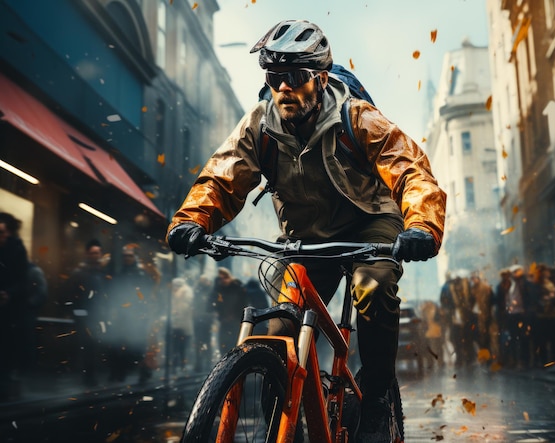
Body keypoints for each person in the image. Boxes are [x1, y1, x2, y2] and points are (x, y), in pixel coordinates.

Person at [166, 19, 446, 441]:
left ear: (319, 78)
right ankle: (285, 414)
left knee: (373, 286)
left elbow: (409, 168)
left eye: (294, 78)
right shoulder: (259, 126)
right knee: (276, 332)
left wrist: (422, 225)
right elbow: (221, 177)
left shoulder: (357, 117)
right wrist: (191, 219)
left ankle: (376, 398)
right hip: (307, 236)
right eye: (274, 78)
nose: (283, 88)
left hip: (369, 221)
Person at [63, 239, 110, 387]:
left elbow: (106, 294)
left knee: (94, 347)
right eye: (92, 253)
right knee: (85, 346)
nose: (95, 256)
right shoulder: (80, 273)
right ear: (87, 254)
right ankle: (85, 377)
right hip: (83, 316)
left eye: (97, 253)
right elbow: (71, 294)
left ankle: (91, 375)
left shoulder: (102, 273)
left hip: (98, 316)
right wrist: (78, 312)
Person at [107, 245, 154, 383]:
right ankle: (120, 373)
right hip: (123, 315)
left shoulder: (141, 274)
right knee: (120, 345)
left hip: (138, 315)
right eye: (125, 256)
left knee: (139, 346)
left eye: (130, 256)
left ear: (134, 257)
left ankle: (143, 373)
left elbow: (146, 294)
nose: (127, 258)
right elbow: (114, 294)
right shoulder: (120, 273)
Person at [0, 213, 29, 400]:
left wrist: (8, 293)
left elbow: (23, 282)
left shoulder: (17, 250)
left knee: (6, 350)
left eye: (1, 232)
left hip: (10, 311)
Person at [209, 267, 246, 355]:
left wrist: (236, 316)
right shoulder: (218, 290)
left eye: (225, 278)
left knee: (235, 345)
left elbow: (244, 305)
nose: (223, 280)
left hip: (236, 322)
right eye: (221, 279)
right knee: (224, 346)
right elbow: (212, 304)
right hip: (224, 322)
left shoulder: (238, 288)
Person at [170, 277, 194, 373]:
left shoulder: (184, 293)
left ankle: (180, 365)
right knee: (178, 346)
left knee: (181, 346)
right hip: (178, 324)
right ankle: (178, 365)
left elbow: (183, 308)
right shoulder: (179, 293)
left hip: (182, 325)